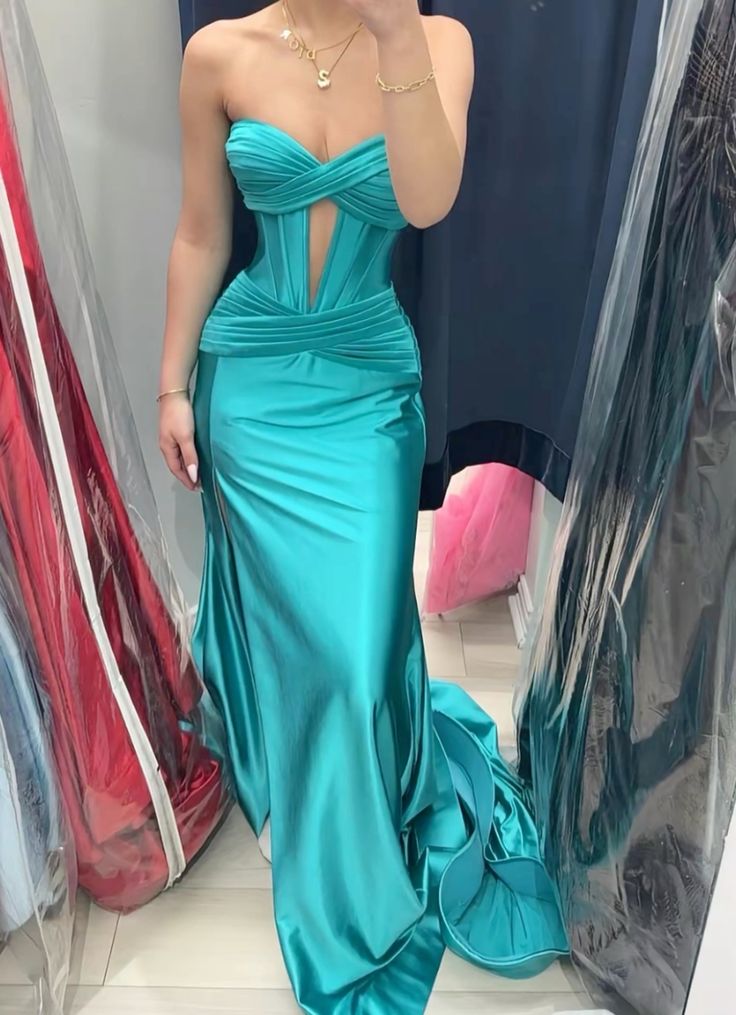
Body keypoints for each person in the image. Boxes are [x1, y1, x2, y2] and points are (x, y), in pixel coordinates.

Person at [157, 2, 568, 1012]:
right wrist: (172, 385)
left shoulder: (436, 43)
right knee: (295, 625)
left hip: (366, 386)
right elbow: (202, 232)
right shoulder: (219, 53)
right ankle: (300, 789)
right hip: (250, 378)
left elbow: (427, 202)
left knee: (353, 647)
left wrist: (393, 36)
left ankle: (352, 792)